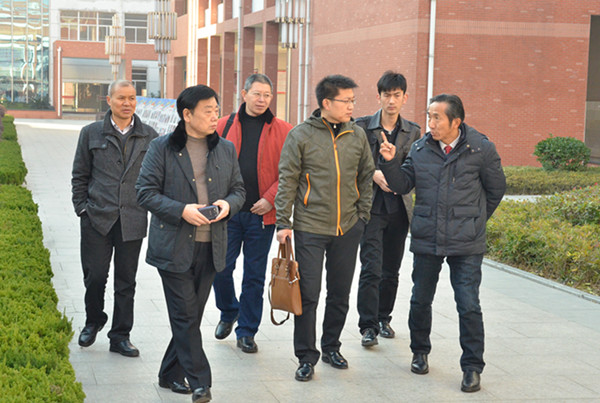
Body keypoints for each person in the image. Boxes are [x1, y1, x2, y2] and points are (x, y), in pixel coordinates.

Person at [379, 94, 506, 393]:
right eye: (429, 116)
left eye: (437, 118)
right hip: (428, 236)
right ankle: (419, 352)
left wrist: (475, 221)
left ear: (456, 122)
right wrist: (390, 162)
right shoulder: (420, 149)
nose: (431, 123)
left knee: (468, 304)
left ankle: (472, 367)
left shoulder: (481, 148)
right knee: (420, 299)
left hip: (466, 242)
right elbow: (402, 184)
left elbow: (496, 189)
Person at [136, 85, 245, 403]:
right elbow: (145, 192)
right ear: (187, 114)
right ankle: (200, 382)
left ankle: (169, 373)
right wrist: (182, 210)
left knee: (191, 316)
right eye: (208, 111)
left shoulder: (225, 149)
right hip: (173, 247)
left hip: (211, 246)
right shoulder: (161, 148)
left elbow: (239, 190)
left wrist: (227, 205)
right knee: (185, 315)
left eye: (217, 110)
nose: (215, 116)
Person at [275, 74, 375, 382]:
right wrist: (284, 222)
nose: (351, 106)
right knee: (308, 293)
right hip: (310, 227)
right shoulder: (301, 135)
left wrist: (362, 215)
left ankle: (332, 346)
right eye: (346, 101)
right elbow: (288, 179)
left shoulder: (357, 134)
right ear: (326, 103)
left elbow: (366, 175)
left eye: (353, 101)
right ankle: (306, 356)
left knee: (340, 293)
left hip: (348, 227)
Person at [71, 79, 158, 357]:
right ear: (109, 100)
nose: (127, 103)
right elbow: (80, 174)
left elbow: (158, 177)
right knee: (95, 276)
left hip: (132, 219)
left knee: (126, 281)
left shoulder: (150, 136)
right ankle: (93, 320)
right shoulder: (91, 133)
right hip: (97, 218)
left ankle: (120, 336)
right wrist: (82, 208)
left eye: (132, 98)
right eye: (121, 98)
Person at [212, 74, 292, 353]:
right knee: (220, 268)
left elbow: (291, 172)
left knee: (254, 276)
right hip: (229, 213)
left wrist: (270, 199)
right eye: (257, 94)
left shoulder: (283, 130)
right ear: (244, 94)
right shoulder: (223, 125)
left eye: (267, 95)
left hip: (262, 217)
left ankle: (247, 331)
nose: (262, 100)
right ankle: (228, 310)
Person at [355, 71, 421, 347]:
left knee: (391, 269)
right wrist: (373, 173)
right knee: (371, 267)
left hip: (399, 209)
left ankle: (384, 318)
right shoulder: (361, 127)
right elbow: (352, 162)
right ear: (379, 96)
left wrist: (397, 177)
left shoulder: (413, 131)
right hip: (371, 207)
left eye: (397, 95)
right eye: (386, 95)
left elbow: (414, 168)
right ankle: (367, 326)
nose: (391, 100)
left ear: (405, 98)